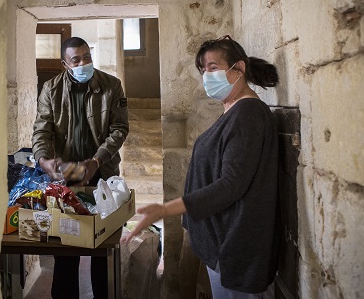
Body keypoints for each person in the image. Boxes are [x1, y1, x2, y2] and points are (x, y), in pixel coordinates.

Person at [122, 35, 281, 298]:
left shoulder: (248, 114)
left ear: (238, 69)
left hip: (236, 246)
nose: (206, 75)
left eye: (213, 68)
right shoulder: (233, 110)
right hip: (222, 241)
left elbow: (231, 185)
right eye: (203, 69)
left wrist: (166, 209)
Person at [32, 36, 129, 299]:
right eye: (77, 60)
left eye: (87, 56)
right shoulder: (51, 90)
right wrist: (43, 160)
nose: (84, 63)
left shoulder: (111, 86)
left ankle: (104, 294)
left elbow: (119, 129)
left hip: (102, 173)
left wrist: (96, 161)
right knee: (67, 245)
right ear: (65, 64)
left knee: (103, 246)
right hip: (67, 177)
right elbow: (42, 130)